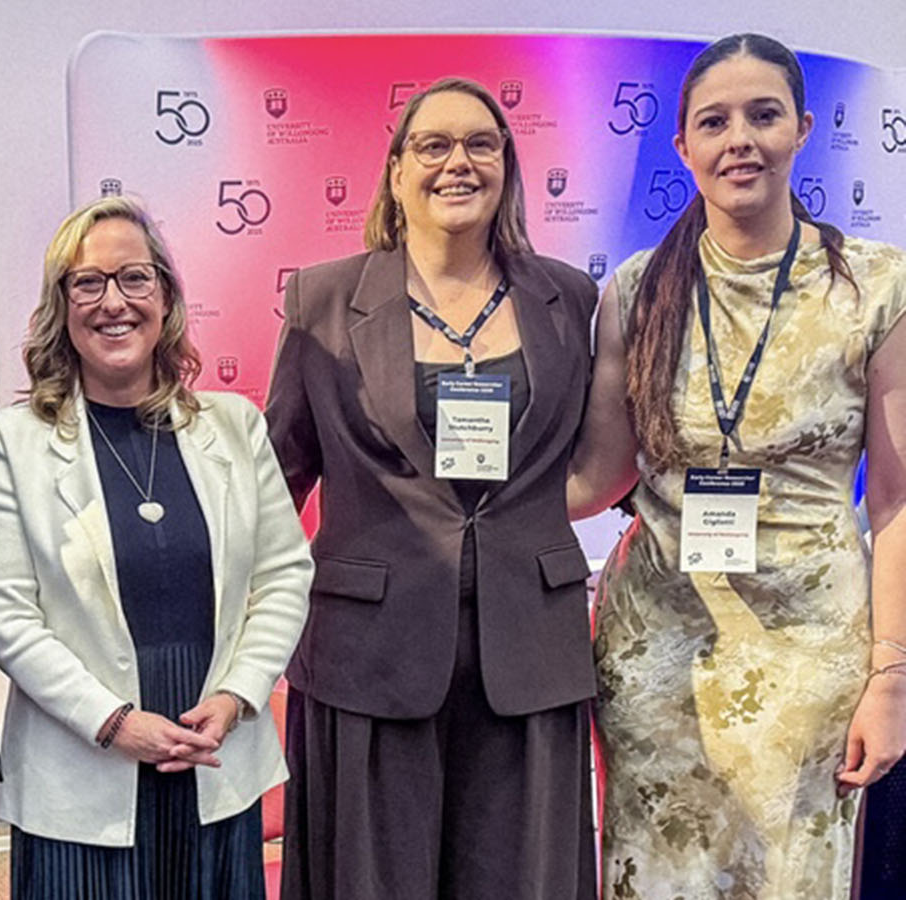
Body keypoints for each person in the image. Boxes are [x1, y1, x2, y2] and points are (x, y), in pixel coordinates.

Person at [567, 33, 906, 898]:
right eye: (714, 122)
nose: (739, 140)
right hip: (661, 653)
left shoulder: (878, 286)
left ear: (802, 126)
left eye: (763, 115)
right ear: (683, 146)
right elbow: (601, 476)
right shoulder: (637, 289)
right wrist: (444, 496)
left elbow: (898, 502)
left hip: (814, 652)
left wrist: (892, 678)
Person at [265, 77, 599, 898]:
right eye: (435, 145)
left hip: (530, 651)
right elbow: (276, 477)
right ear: (395, 171)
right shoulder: (324, 300)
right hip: (368, 655)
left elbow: (606, 459)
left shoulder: (571, 298)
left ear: (508, 167)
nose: (459, 162)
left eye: (482, 144)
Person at [0, 195, 310, 900]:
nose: (112, 302)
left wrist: (238, 697)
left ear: (166, 296)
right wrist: (114, 722)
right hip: (80, 767)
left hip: (214, 751)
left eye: (134, 278)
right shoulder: (14, 442)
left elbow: (282, 575)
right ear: (61, 306)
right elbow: (6, 613)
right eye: (87, 283)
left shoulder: (235, 427)